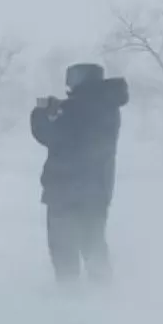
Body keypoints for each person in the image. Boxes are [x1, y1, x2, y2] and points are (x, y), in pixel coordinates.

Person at [30, 62, 129, 284]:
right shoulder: (107, 107)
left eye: (73, 77)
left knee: (64, 248)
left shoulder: (78, 109)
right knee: (93, 243)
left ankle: (70, 299)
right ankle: (103, 293)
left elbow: (53, 136)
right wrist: (63, 109)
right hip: (97, 190)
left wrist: (40, 114)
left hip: (66, 190)